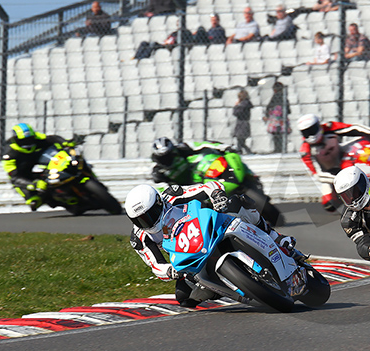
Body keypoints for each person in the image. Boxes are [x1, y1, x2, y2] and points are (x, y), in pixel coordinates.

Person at [125, 182, 297, 308]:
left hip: (211, 227)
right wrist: (170, 271)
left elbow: (208, 186)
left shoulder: (172, 195)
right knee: (184, 297)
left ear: (159, 202)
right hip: (190, 259)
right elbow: (155, 265)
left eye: (150, 214)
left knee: (237, 202)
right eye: (140, 220)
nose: (146, 222)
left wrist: (217, 196)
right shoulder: (139, 238)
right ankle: (221, 289)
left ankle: (276, 237)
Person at [297, 113, 370, 211]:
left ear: (318, 125)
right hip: (330, 175)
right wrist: (338, 179)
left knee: (365, 142)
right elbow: (318, 174)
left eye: (312, 130)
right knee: (330, 204)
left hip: (345, 159)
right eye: (306, 132)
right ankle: (348, 199)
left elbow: (352, 128)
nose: (310, 134)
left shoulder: (329, 128)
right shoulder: (305, 151)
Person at [1, 123, 76, 212]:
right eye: (24, 140)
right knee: (30, 196)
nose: (28, 142)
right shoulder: (9, 154)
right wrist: (33, 184)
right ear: (16, 139)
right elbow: (14, 176)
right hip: (26, 172)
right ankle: (36, 198)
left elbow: (51, 138)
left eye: (30, 139)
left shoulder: (37, 137)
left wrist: (65, 142)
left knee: (71, 155)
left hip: (46, 163)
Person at [150, 137, 235, 185]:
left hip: (195, 176)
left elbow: (203, 144)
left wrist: (223, 147)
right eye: (163, 157)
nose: (167, 158)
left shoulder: (180, 149)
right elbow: (161, 186)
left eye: (169, 154)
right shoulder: (156, 170)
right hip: (182, 189)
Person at [263, 82, 291, 153]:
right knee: (281, 135)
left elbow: (269, 107)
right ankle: (281, 149)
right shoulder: (284, 97)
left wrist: (267, 115)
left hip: (275, 120)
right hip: (282, 119)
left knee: (276, 135)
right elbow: (288, 110)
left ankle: (277, 149)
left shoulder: (275, 97)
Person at [232, 89, 253, 155]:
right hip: (243, 123)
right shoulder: (246, 104)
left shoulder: (243, 104)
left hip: (242, 124)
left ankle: (244, 152)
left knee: (240, 141)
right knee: (240, 141)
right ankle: (242, 151)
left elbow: (236, 113)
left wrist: (236, 106)